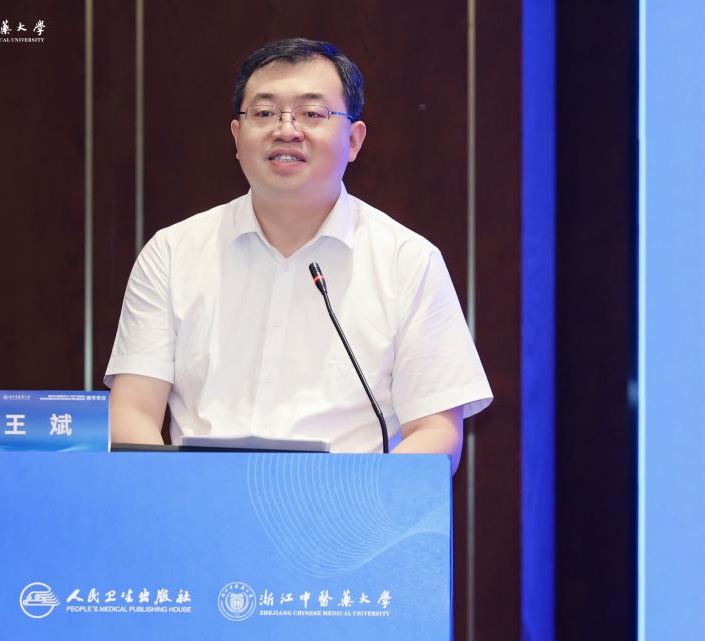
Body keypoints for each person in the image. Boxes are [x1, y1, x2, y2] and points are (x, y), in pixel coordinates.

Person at [104, 38, 491, 472]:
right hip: (200, 504)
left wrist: (362, 503)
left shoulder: (408, 261)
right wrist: (179, 500)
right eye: (264, 113)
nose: (286, 130)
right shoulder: (173, 253)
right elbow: (133, 411)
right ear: (237, 137)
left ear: (354, 140)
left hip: (349, 507)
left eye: (312, 113)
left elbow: (435, 431)